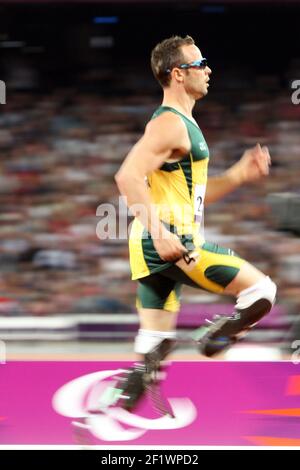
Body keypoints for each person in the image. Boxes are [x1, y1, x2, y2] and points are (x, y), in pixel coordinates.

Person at [114, 35, 277, 412]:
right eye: (198, 63)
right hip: (169, 241)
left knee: (150, 355)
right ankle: (210, 340)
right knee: (261, 293)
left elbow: (191, 197)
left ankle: (99, 419)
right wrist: (161, 232)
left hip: (151, 245)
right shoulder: (171, 125)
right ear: (176, 75)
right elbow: (127, 177)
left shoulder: (181, 124)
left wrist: (237, 175)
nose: (207, 69)